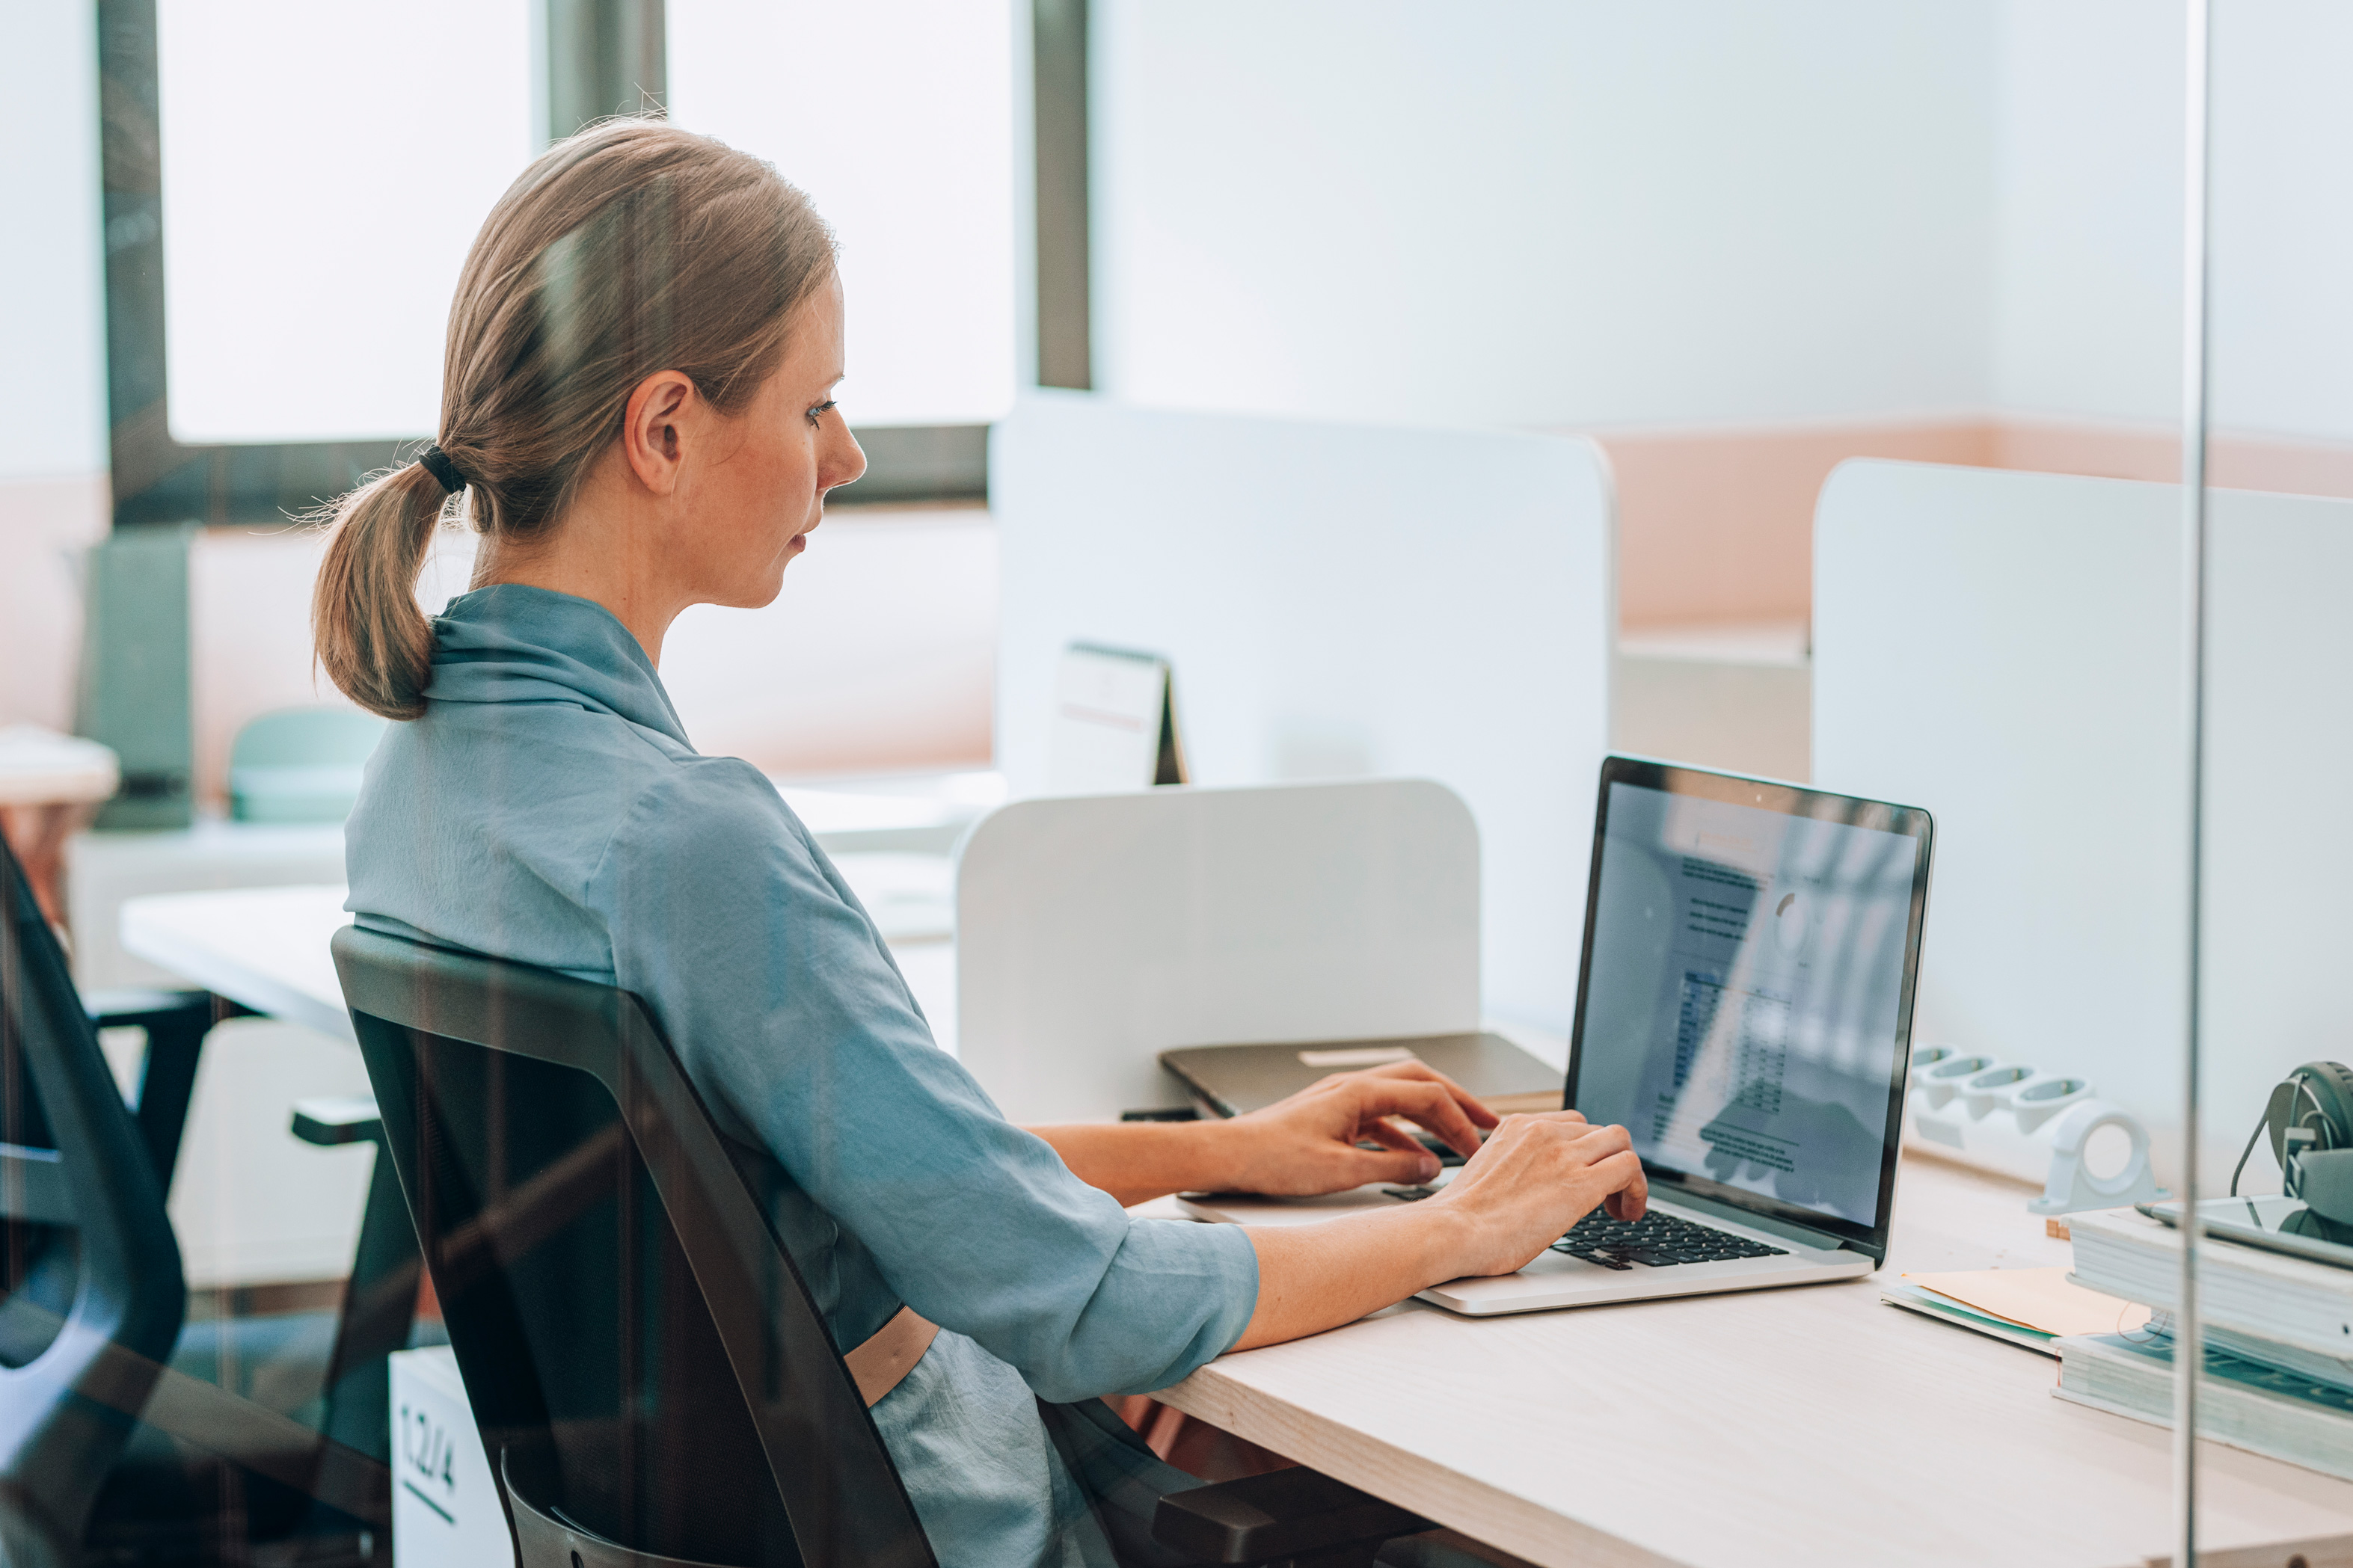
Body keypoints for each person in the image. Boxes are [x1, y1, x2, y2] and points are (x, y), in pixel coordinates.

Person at [313, 117, 1645, 1568]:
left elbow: (851, 1186)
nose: (848, 451)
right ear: (666, 430)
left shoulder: (416, 779)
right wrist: (1460, 1225)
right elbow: (1073, 1296)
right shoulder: (685, 841)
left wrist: (1238, 1147)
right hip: (951, 1516)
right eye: (814, 404)